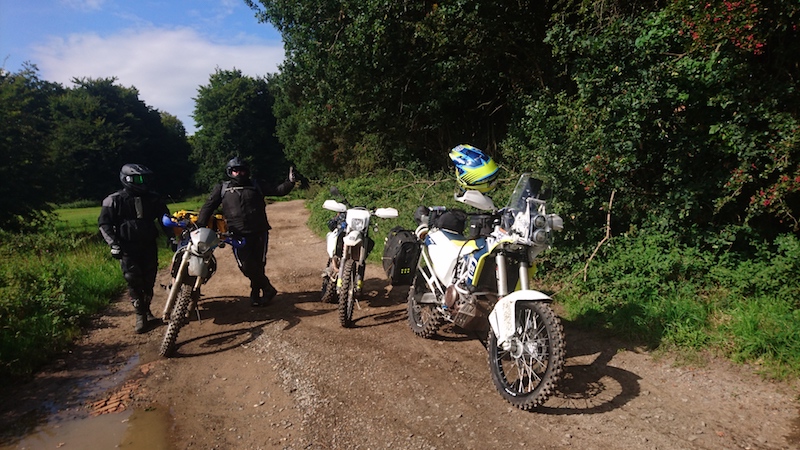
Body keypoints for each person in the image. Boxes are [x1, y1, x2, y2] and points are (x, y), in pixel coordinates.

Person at [197, 157, 297, 306]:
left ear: (247, 171)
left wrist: (290, 182)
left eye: (242, 170)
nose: (239, 173)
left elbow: (278, 191)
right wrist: (200, 225)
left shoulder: (257, 184)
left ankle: (255, 294)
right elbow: (208, 207)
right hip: (236, 234)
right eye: (235, 170)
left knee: (259, 263)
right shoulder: (222, 188)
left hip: (259, 232)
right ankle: (267, 288)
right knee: (245, 266)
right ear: (230, 172)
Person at [99, 163, 170, 334]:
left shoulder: (153, 198)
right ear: (126, 179)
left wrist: (172, 236)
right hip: (127, 248)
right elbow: (104, 224)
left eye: (144, 179)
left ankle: (147, 310)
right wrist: (113, 244)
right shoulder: (114, 200)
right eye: (138, 179)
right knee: (133, 279)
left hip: (148, 245)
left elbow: (165, 219)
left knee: (149, 280)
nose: (142, 182)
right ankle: (140, 315)